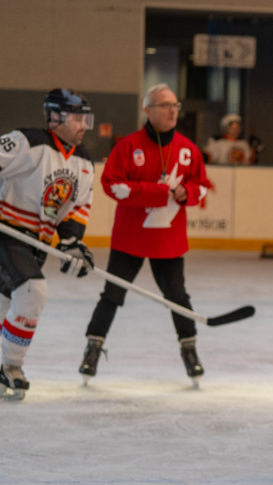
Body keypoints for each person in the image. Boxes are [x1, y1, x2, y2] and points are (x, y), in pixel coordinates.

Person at [78, 83, 212, 386]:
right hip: (130, 239)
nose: (172, 110)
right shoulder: (128, 146)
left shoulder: (189, 150)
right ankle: (93, 348)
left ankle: (190, 351)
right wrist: (157, 191)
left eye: (175, 104)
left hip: (168, 240)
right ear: (147, 110)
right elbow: (112, 184)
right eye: (165, 105)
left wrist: (184, 192)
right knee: (112, 295)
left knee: (178, 297)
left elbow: (202, 187)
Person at [0, 89, 96, 400]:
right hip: (4, 233)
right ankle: (12, 368)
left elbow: (77, 209)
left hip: (37, 243)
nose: (85, 125)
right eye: (78, 118)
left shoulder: (84, 163)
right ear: (55, 118)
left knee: (8, 297)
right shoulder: (28, 141)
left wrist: (71, 243)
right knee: (33, 290)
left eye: (86, 118)